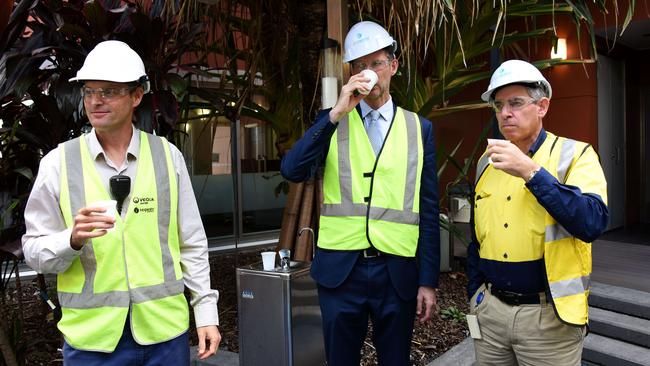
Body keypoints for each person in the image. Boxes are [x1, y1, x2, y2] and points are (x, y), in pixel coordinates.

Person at [22, 40, 221, 365]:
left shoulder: (167, 157)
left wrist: (205, 312)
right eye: (89, 91)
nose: (95, 101)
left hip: (164, 336)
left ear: (137, 96)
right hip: (93, 342)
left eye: (109, 91)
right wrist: (70, 239)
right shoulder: (58, 163)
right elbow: (34, 252)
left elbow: (192, 243)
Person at [281, 21, 440, 366]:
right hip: (341, 272)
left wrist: (427, 281)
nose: (368, 73)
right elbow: (292, 170)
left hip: (396, 272)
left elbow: (428, 207)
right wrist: (336, 112)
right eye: (359, 66)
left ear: (393, 66)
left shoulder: (419, 129)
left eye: (376, 63)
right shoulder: (334, 120)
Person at [467, 59, 609, 365]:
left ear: (542, 107)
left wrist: (531, 171)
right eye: (499, 105)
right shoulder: (485, 163)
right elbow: (477, 238)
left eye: (516, 103)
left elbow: (592, 221)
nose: (505, 113)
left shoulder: (575, 155)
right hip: (490, 313)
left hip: (550, 318)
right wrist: (476, 295)